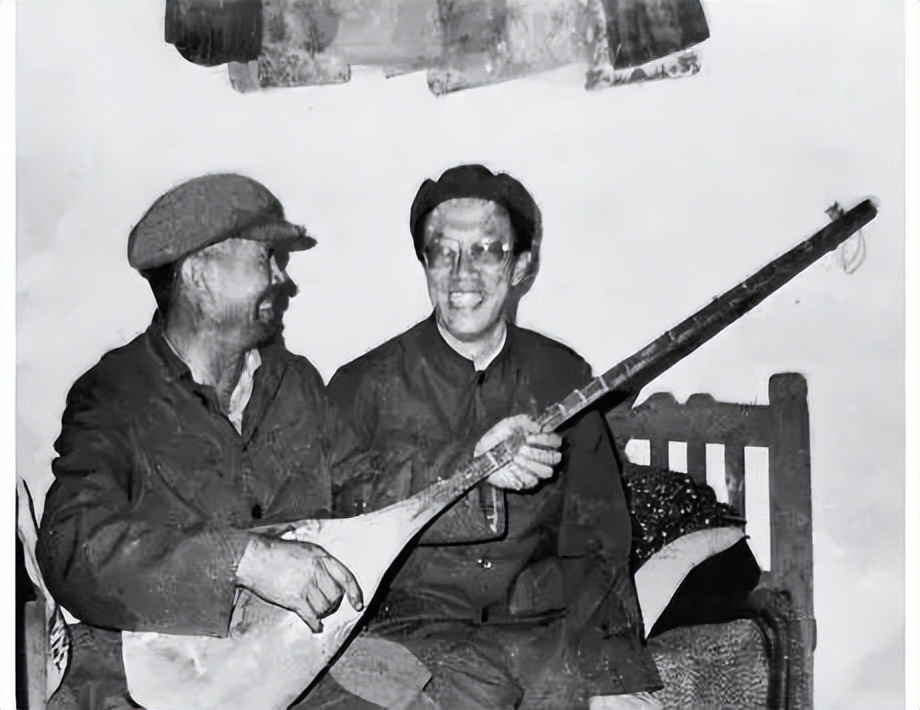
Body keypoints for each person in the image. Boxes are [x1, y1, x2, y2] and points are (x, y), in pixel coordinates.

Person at [36, 172, 560, 710]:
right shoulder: (115, 394)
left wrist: (478, 464)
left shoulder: (295, 382)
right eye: (265, 257)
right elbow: (72, 543)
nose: (282, 277)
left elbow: (363, 485)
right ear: (200, 274)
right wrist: (245, 561)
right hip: (171, 679)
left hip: (303, 668)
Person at [328, 164, 664, 710]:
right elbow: (338, 517)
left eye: (487, 251)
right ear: (424, 263)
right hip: (408, 637)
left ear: (521, 266)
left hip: (537, 635)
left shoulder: (562, 376)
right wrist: (471, 465)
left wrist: (612, 674)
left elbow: (596, 537)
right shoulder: (361, 386)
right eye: (444, 252)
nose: (462, 274)